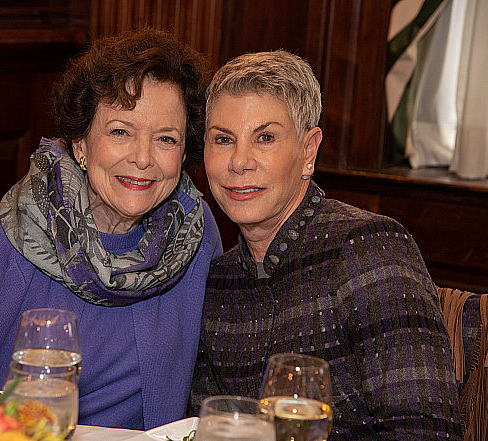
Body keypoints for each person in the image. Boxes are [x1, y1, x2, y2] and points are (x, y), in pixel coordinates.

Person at [0, 29, 223, 431]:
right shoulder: (14, 238)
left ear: (184, 154)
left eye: (165, 139)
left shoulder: (195, 235)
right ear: (80, 145)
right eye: (120, 131)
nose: (142, 158)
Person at [189, 50, 462, 440]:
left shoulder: (367, 247)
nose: (239, 161)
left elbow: (425, 430)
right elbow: (206, 426)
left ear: (308, 151)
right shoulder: (219, 280)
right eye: (223, 139)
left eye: (264, 138)